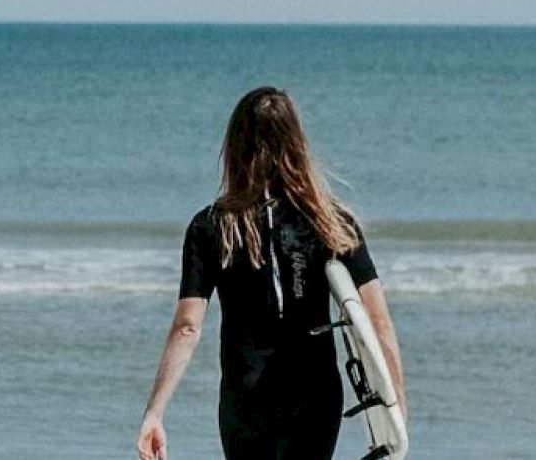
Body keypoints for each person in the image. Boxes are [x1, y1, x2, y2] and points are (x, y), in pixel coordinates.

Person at [136, 87, 408, 459]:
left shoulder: (212, 227)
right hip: (313, 393)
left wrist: (155, 412)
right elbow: (377, 322)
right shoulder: (332, 223)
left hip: (246, 397)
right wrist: (396, 414)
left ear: (234, 145)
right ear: (296, 142)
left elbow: (188, 326)